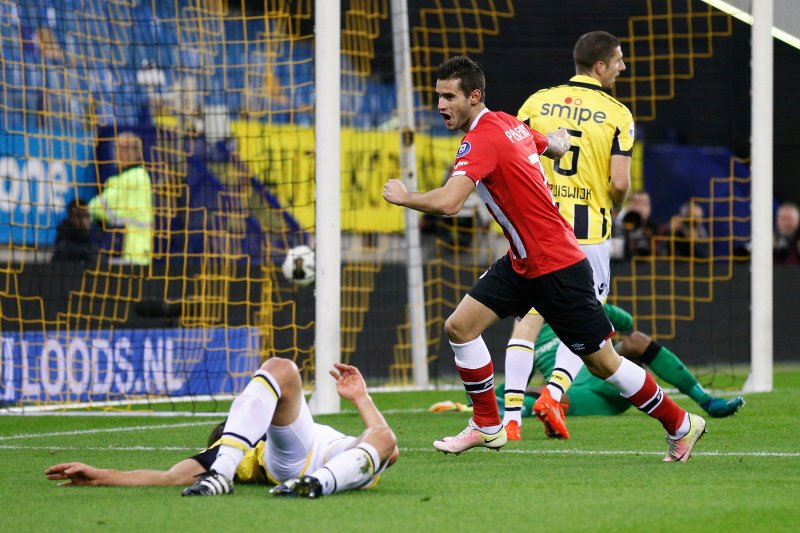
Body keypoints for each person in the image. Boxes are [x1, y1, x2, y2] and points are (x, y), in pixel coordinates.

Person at [382, 55, 706, 462]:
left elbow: (449, 203)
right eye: (439, 96)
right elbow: (547, 144)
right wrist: (556, 144)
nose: (441, 105)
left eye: (450, 97)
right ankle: (488, 425)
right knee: (460, 327)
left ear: (474, 96)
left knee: (604, 363)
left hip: (556, 266)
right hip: (523, 262)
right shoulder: (506, 122)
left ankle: (681, 423)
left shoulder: (481, 139)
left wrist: (404, 197)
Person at [504, 31, 633, 440]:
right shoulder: (617, 114)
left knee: (527, 320)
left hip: (539, 230)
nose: (623, 67)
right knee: (587, 324)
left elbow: (513, 156)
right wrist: (614, 206)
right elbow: (620, 182)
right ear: (600, 66)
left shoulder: (537, 102)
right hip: (588, 234)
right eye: (618, 60)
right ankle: (553, 394)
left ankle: (511, 418)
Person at [45, 360, 398, 499]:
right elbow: (170, 477)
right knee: (282, 369)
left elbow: (390, 452)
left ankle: (314, 485)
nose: (249, 414)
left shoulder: (264, 427)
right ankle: (221, 477)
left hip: (337, 463)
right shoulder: (248, 447)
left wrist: (361, 397)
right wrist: (101, 476)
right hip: (294, 459)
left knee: (386, 440)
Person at [474, 304, 743, 424]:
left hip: (609, 371)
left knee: (637, 341)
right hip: (581, 394)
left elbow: (627, 323)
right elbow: (518, 380)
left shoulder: (576, 307)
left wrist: (599, 308)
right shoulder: (528, 335)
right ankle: (508, 414)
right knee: (547, 396)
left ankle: (706, 401)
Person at [88, 132, 153, 266]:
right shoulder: (130, 177)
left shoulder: (134, 177)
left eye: (123, 149)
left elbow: (95, 207)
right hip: (130, 254)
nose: (118, 154)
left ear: (135, 153)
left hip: (129, 254)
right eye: (117, 149)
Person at [52, 198, 96, 263]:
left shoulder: (92, 232)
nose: (87, 221)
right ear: (72, 217)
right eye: (83, 216)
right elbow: (63, 249)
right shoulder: (64, 232)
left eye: (88, 216)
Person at [616, 190, 658, 258]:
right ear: (628, 205)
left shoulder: (655, 230)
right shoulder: (617, 226)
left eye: (643, 203)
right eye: (635, 203)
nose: (639, 208)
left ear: (649, 208)